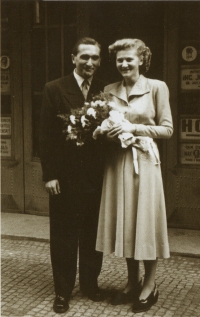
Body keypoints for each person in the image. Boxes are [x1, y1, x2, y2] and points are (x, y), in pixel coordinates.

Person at [95, 38, 173, 313]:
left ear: (142, 60)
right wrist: (106, 133)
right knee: (127, 221)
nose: (124, 64)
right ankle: (131, 282)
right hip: (117, 162)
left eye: (130, 59)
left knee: (145, 222)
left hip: (145, 161)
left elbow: (167, 130)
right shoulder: (108, 91)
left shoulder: (156, 88)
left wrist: (133, 128)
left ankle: (150, 285)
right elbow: (103, 128)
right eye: (120, 60)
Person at [39, 37, 106, 314]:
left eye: (94, 58)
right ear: (73, 58)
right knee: (64, 234)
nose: (89, 62)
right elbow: (45, 136)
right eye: (84, 57)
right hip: (65, 178)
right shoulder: (54, 89)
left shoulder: (105, 91)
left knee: (92, 233)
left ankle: (90, 285)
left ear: (99, 61)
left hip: (96, 177)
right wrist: (50, 175)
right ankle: (63, 292)